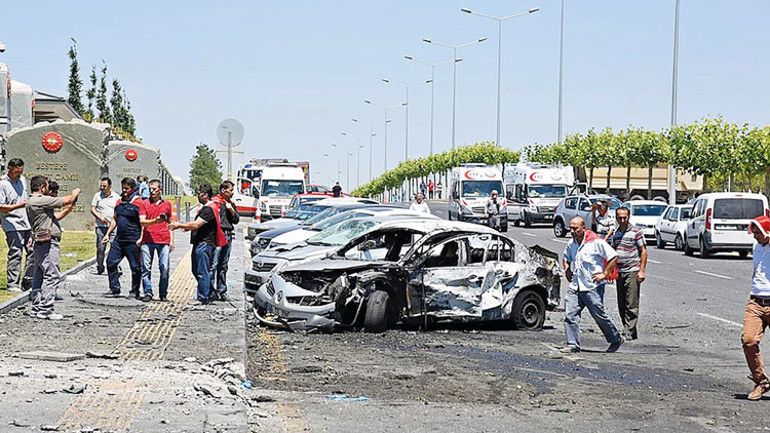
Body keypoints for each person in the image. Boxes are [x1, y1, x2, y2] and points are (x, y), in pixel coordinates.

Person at [561, 216, 624, 353]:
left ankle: (616, 338)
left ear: (583, 228)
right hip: (576, 286)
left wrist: (605, 274)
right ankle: (572, 344)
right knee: (570, 314)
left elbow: (613, 256)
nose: (572, 231)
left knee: (599, 314)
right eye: (571, 228)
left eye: (575, 228)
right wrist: (567, 270)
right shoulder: (572, 243)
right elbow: (566, 257)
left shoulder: (595, 242)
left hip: (592, 286)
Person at [26, 176, 80, 320]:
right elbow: (66, 200)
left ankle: (36, 307)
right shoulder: (40, 200)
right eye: (47, 187)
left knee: (39, 275)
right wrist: (75, 193)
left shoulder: (32, 201)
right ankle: (46, 309)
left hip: (40, 242)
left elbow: (55, 217)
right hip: (48, 243)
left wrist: (69, 209)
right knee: (52, 275)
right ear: (42, 187)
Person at [169, 183, 227, 305]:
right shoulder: (207, 207)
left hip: (205, 244)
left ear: (205, 195)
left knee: (202, 272)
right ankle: (211, 293)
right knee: (196, 270)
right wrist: (187, 227)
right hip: (201, 243)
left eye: (199, 193)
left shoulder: (208, 209)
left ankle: (202, 298)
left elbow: (197, 224)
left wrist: (179, 225)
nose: (197, 196)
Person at [742, 216, 770, 400]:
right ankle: (762, 382)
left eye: (758, 233)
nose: (754, 236)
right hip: (756, 302)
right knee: (749, 340)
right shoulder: (756, 246)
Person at [609, 206, 647, 340]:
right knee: (621, 303)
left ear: (628, 217)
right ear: (616, 218)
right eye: (620, 218)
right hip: (619, 271)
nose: (622, 220)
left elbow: (643, 251)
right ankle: (629, 329)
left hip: (632, 270)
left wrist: (642, 270)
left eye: (625, 218)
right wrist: (610, 271)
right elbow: (613, 254)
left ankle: (628, 331)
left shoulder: (636, 232)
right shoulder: (616, 234)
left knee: (631, 302)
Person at [103, 178, 144, 299]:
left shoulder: (139, 203)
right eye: (123, 188)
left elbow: (143, 223)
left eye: (127, 188)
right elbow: (115, 219)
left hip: (133, 241)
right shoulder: (119, 202)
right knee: (111, 262)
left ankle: (135, 291)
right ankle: (114, 288)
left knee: (135, 267)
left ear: (133, 189)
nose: (124, 190)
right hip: (119, 240)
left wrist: (141, 238)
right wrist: (107, 234)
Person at [0, 158, 33, 292]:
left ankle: (28, 281)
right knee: (16, 253)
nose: (19, 175)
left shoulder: (23, 180)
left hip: (26, 222)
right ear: (10, 169)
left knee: (32, 251)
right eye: (17, 172)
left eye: (21, 172)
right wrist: (18, 206)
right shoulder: (2, 184)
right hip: (12, 223)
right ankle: (12, 283)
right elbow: (1, 207)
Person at [138, 179, 173, 302]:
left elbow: (170, 223)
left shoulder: (167, 204)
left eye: (154, 189)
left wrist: (172, 240)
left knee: (164, 267)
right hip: (148, 239)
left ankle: (163, 293)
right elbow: (142, 222)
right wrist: (155, 221)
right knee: (145, 268)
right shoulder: (144, 203)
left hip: (163, 240)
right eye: (150, 189)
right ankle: (148, 292)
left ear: (160, 190)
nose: (151, 191)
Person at [210, 180, 239, 301]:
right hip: (218, 235)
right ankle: (211, 291)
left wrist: (231, 210)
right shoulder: (215, 202)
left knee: (224, 265)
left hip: (228, 236)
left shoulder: (230, 204)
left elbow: (236, 220)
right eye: (230, 190)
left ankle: (222, 290)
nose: (232, 193)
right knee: (213, 264)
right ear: (223, 190)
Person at [90, 177, 120, 275]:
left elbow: (119, 210)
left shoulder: (116, 197)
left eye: (104, 186)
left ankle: (115, 267)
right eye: (101, 186)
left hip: (113, 226)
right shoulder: (97, 196)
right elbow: (93, 209)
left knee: (114, 247)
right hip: (101, 226)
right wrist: (100, 218)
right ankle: (100, 266)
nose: (102, 188)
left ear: (110, 186)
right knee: (100, 248)